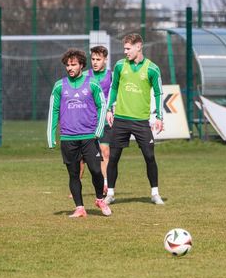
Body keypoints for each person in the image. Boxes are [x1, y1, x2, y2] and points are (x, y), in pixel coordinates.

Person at [47, 49, 111, 218]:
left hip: (89, 136)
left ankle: (100, 199)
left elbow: (102, 106)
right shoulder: (59, 85)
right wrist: (51, 136)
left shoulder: (92, 83)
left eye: (73, 64)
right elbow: (53, 110)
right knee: (74, 174)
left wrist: (99, 129)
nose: (70, 68)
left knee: (96, 170)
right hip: (68, 138)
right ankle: (80, 208)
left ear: (81, 65)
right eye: (67, 65)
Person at [105, 33, 164, 205]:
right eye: (124, 48)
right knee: (113, 157)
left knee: (149, 156)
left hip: (141, 121)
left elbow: (159, 93)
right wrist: (109, 109)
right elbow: (113, 87)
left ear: (139, 47)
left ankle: (155, 193)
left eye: (128, 48)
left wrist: (159, 117)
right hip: (120, 120)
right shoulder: (119, 66)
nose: (125, 52)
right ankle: (110, 193)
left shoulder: (152, 69)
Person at [87, 45, 112, 195]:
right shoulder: (85, 76)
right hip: (88, 120)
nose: (95, 62)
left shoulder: (111, 76)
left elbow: (116, 94)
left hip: (105, 120)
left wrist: (111, 109)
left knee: (105, 152)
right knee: (84, 157)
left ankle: (105, 184)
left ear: (105, 60)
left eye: (98, 59)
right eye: (93, 59)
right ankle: (76, 182)